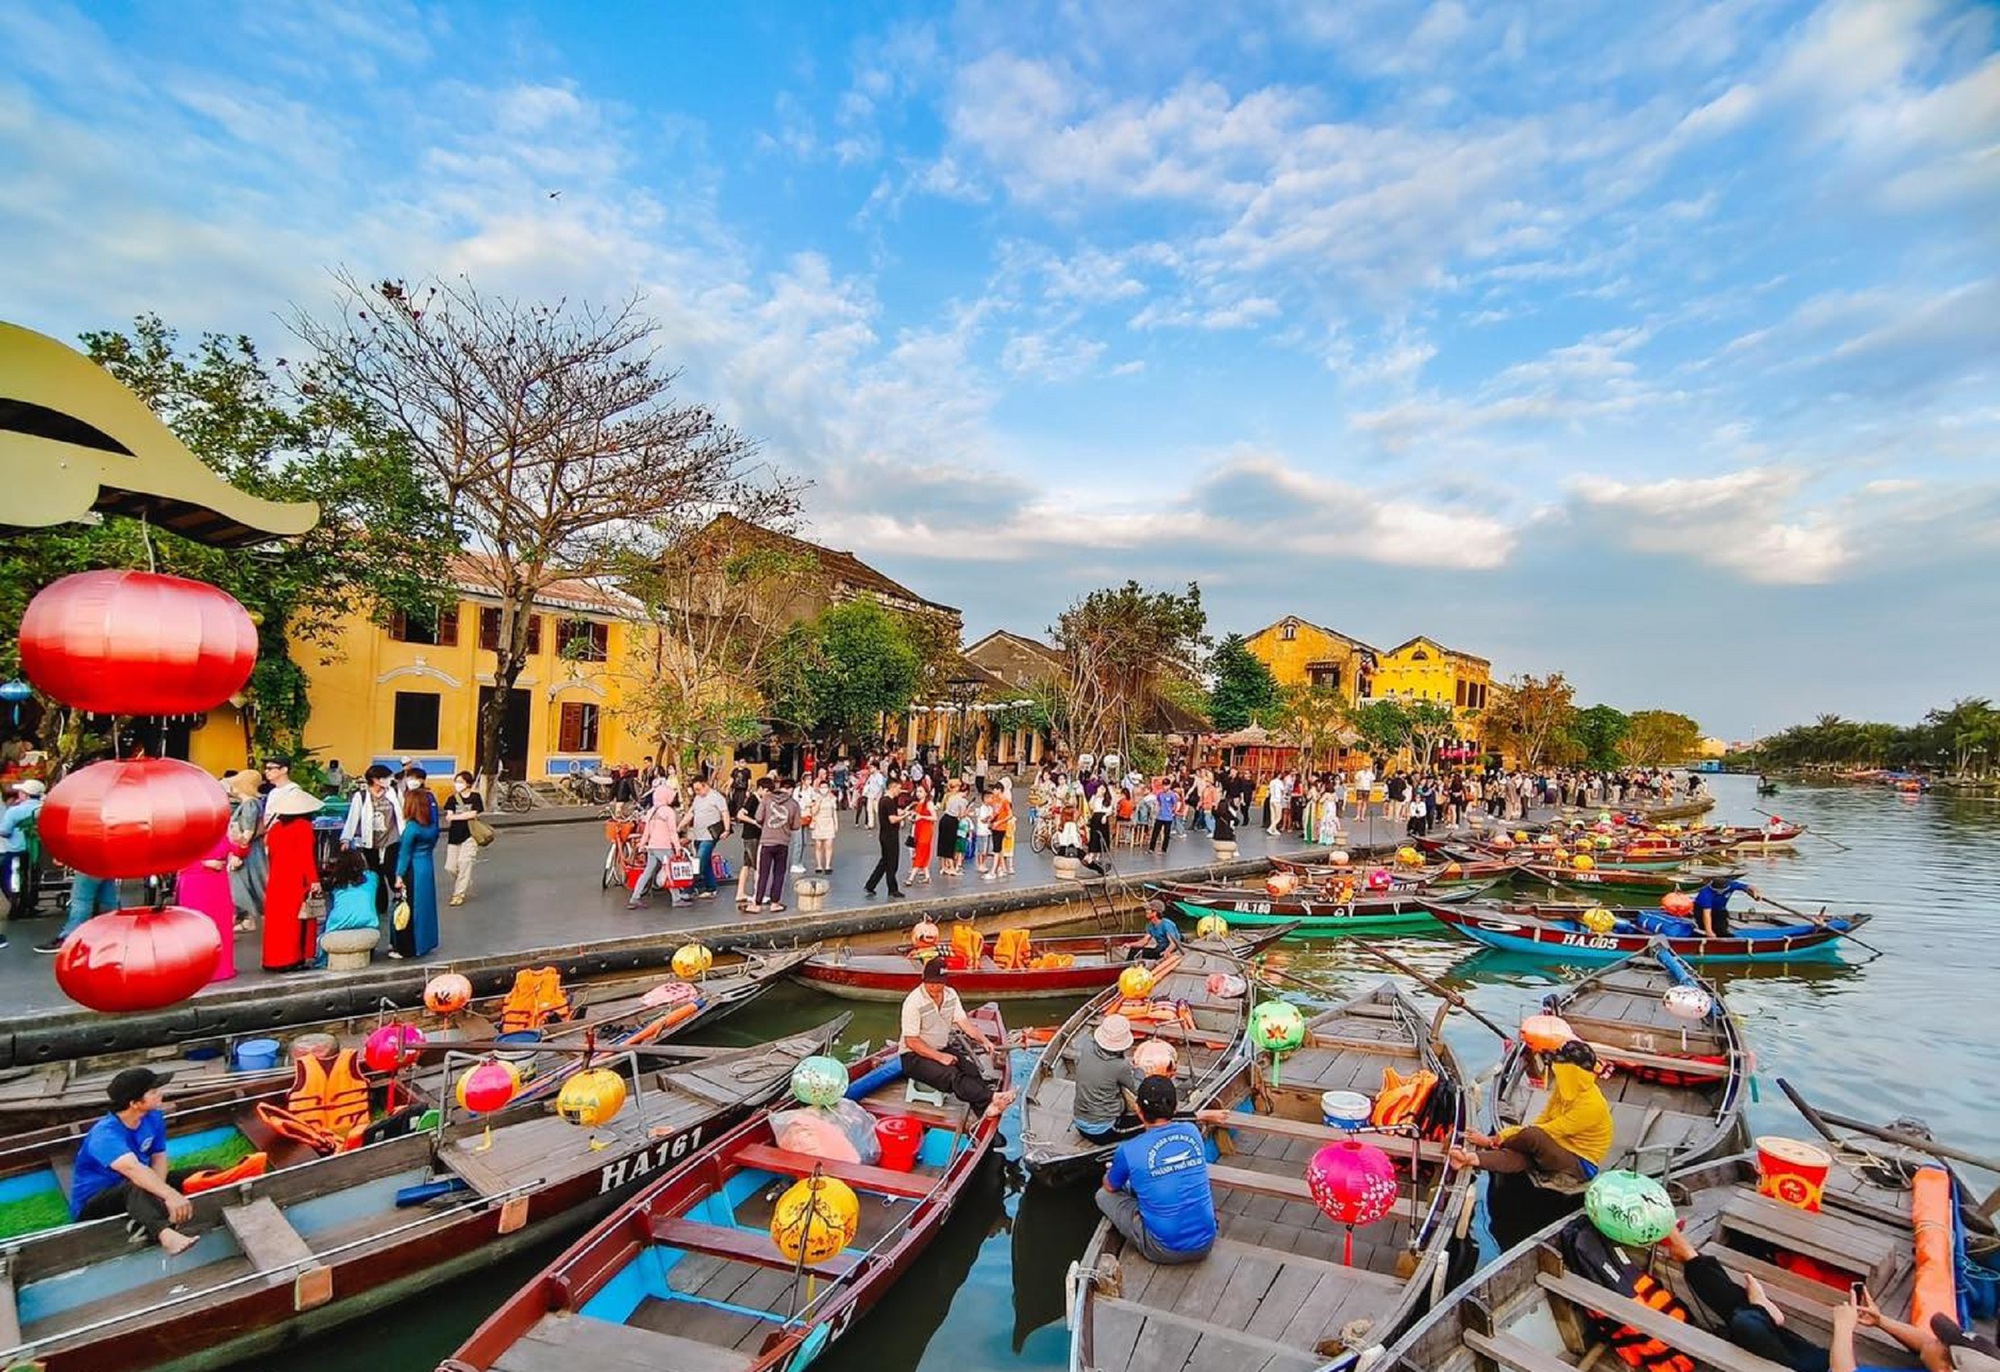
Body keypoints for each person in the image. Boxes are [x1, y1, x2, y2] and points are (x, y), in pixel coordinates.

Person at [70, 1068, 198, 1255]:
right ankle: (165, 1234)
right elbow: (133, 1169)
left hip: (139, 1185)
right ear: (135, 1103)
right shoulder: (105, 1135)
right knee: (135, 1187)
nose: (160, 1094)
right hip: (96, 1202)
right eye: (153, 1092)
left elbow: (158, 1156)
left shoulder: (153, 1117)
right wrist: (169, 1196)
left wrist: (160, 1192)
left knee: (203, 1172)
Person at [1450, 1040, 1611, 1178]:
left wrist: (1501, 1137)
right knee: (1523, 1158)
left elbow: (1550, 1131)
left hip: (1580, 1161)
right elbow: (1543, 1119)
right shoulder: (1563, 1091)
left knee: (1533, 1136)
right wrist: (1512, 1134)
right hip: (1556, 1145)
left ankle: (1491, 1142)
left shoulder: (1591, 1106)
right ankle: (1469, 1158)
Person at [1101, 1076, 1216, 1265]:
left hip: (1163, 1250)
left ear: (1138, 1110)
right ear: (1176, 1107)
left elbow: (1109, 1187)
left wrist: (1111, 1171)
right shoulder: (1192, 1131)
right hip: (1206, 1243)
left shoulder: (1128, 1149)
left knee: (1102, 1196)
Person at [898, 960, 1014, 1119]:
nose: (933, 987)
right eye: (930, 983)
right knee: (952, 1075)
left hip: (941, 1047)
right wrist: (940, 1057)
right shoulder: (913, 1002)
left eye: (938, 983)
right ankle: (992, 1097)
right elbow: (911, 1041)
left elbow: (965, 1024)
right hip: (913, 1056)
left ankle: (985, 1111)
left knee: (971, 1070)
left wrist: (984, 1041)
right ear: (923, 980)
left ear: (945, 982)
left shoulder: (951, 995)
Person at [260, 781, 323, 971]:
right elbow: (306, 857)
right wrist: (314, 881)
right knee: (296, 922)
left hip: (277, 879)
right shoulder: (303, 827)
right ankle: (293, 958)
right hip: (297, 880)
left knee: (277, 923)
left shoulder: (275, 829)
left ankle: (273, 960)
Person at [175, 822, 237, 983]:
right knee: (198, 927)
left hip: (218, 884)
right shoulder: (185, 837)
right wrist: (203, 863)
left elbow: (237, 848)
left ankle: (222, 968)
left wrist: (238, 847)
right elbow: (179, 861)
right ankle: (200, 969)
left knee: (220, 924)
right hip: (195, 884)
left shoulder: (220, 834)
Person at [339, 764, 402, 920]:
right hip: (370, 841)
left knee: (391, 869)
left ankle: (400, 897)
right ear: (375, 780)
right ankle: (380, 905)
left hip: (391, 838)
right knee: (375, 873)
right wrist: (346, 838)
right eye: (385, 777)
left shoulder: (392, 792)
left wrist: (405, 833)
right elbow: (353, 818)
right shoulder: (361, 796)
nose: (388, 780)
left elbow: (401, 814)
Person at [391, 768, 441, 958]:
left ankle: (408, 948)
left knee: (408, 907)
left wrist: (398, 875)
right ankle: (425, 942)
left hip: (412, 868)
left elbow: (404, 854)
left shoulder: (412, 828)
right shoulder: (429, 827)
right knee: (425, 906)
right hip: (426, 866)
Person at [1074, 1014, 1142, 1142]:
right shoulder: (1120, 1066)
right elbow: (1139, 1089)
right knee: (1150, 1124)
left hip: (1079, 1121)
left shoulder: (1087, 1046)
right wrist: (1139, 1070)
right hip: (1102, 1131)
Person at [314, 849, 382, 968]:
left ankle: (321, 961)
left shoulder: (335, 882)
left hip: (338, 923)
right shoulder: (373, 877)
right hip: (368, 921)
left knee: (329, 913)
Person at [627, 782, 686, 911]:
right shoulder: (668, 811)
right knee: (670, 871)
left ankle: (635, 897)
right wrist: (677, 847)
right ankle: (677, 899)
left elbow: (647, 831)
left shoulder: (651, 811)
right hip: (664, 846)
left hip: (652, 847)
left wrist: (642, 845)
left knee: (647, 872)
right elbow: (672, 832)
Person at [222, 768, 266, 932]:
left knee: (241, 883)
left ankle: (247, 918)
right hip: (248, 849)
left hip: (246, 851)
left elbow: (246, 833)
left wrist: (237, 851)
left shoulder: (249, 805)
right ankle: (247, 917)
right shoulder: (251, 804)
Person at [1, 778, 45, 937]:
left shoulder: (14, 811)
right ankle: (31, 905)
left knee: (15, 879)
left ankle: (18, 908)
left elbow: (5, 831)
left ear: (25, 795)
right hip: (37, 852)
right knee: (33, 875)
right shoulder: (45, 808)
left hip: (17, 850)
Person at [751, 776, 801, 912]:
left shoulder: (767, 799)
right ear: (791, 789)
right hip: (783, 842)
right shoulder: (793, 804)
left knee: (763, 873)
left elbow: (758, 817)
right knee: (779, 873)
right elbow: (796, 825)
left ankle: (757, 904)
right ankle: (775, 903)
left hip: (767, 841)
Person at [441, 771, 484, 907]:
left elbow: (473, 813)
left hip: (470, 835)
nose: (457, 784)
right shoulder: (452, 799)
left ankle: (458, 894)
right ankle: (464, 880)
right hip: (454, 836)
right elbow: (448, 816)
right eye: (456, 781)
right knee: (450, 867)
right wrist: (458, 816)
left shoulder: (475, 797)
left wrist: (456, 817)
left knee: (464, 863)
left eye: (460, 782)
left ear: (468, 783)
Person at [864, 777, 907, 900]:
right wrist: (905, 815)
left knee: (885, 862)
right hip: (890, 836)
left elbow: (893, 813)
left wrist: (902, 812)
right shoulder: (887, 801)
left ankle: (871, 884)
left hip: (886, 835)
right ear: (892, 787)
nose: (900, 791)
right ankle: (892, 889)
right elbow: (892, 819)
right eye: (899, 788)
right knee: (892, 863)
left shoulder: (886, 800)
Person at [687, 775, 730, 900]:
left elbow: (725, 812)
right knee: (706, 863)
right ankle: (711, 888)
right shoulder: (697, 798)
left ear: (705, 785)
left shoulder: (716, 797)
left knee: (699, 861)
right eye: (695, 790)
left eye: (698, 789)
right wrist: (680, 826)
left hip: (709, 836)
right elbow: (691, 813)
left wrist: (726, 829)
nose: (697, 792)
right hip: (698, 835)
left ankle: (688, 889)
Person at [1694, 875, 1762, 939]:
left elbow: (1748, 887)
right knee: (1705, 929)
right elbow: (1706, 914)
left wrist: (1755, 894)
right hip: (1701, 910)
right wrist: (1709, 931)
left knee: (1721, 931)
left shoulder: (1731, 884)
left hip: (1720, 909)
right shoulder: (1705, 894)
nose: (1720, 893)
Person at [806, 773, 838, 875]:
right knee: (818, 845)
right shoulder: (815, 797)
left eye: (825, 787)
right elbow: (813, 812)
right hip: (818, 821)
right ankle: (819, 865)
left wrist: (836, 823)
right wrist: (818, 802)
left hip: (829, 822)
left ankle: (828, 865)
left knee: (829, 845)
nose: (824, 789)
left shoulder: (832, 798)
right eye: (822, 787)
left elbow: (834, 812)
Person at [908, 783, 937, 884]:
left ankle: (911, 877)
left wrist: (922, 817)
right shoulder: (919, 803)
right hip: (918, 829)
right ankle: (927, 876)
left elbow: (935, 817)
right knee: (922, 852)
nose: (918, 793)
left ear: (926, 793)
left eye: (921, 791)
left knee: (920, 851)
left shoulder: (929, 803)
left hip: (926, 830)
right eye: (917, 791)